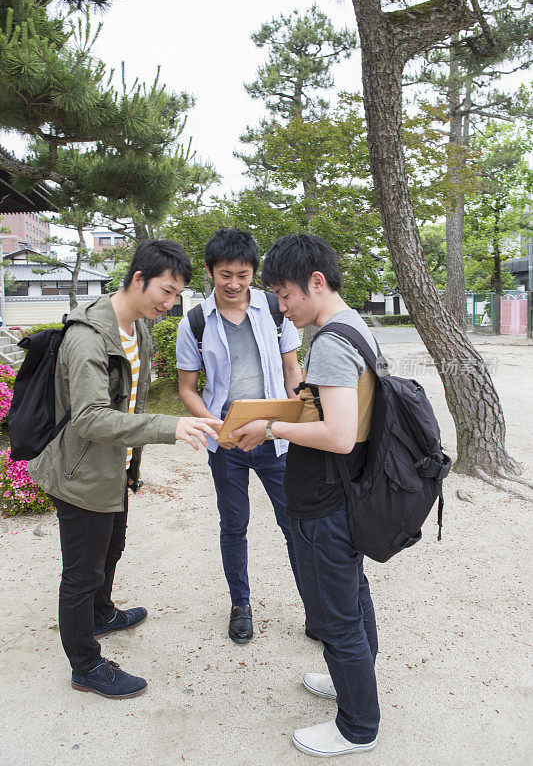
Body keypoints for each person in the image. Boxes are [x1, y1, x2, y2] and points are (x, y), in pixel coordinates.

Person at [28, 239, 222, 700]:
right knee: (80, 572)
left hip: (112, 469)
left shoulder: (138, 328)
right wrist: (170, 427)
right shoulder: (88, 336)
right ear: (138, 279)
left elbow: (129, 400)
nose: (170, 303)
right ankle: (85, 664)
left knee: (111, 547)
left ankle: (101, 613)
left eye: (177, 295)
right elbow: (92, 417)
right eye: (166, 291)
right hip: (80, 473)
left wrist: (133, 464)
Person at [231, 234, 380, 757]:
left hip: (328, 501)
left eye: (286, 294)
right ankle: (352, 682)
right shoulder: (355, 325)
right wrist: (284, 412)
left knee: (337, 614)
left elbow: (338, 435)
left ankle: (358, 726)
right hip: (348, 491)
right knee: (353, 595)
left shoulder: (332, 343)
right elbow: (339, 416)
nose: (282, 307)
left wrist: (272, 427)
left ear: (316, 283)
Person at [175, 227, 303, 644]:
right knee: (234, 525)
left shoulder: (275, 309)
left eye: (243, 275)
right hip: (226, 443)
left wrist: (298, 418)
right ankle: (240, 605)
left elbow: (291, 370)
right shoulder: (194, 321)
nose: (234, 284)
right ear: (211, 271)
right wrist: (216, 428)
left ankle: (317, 607)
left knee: (295, 523)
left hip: (274, 438)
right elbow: (187, 389)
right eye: (225, 274)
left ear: (253, 273)